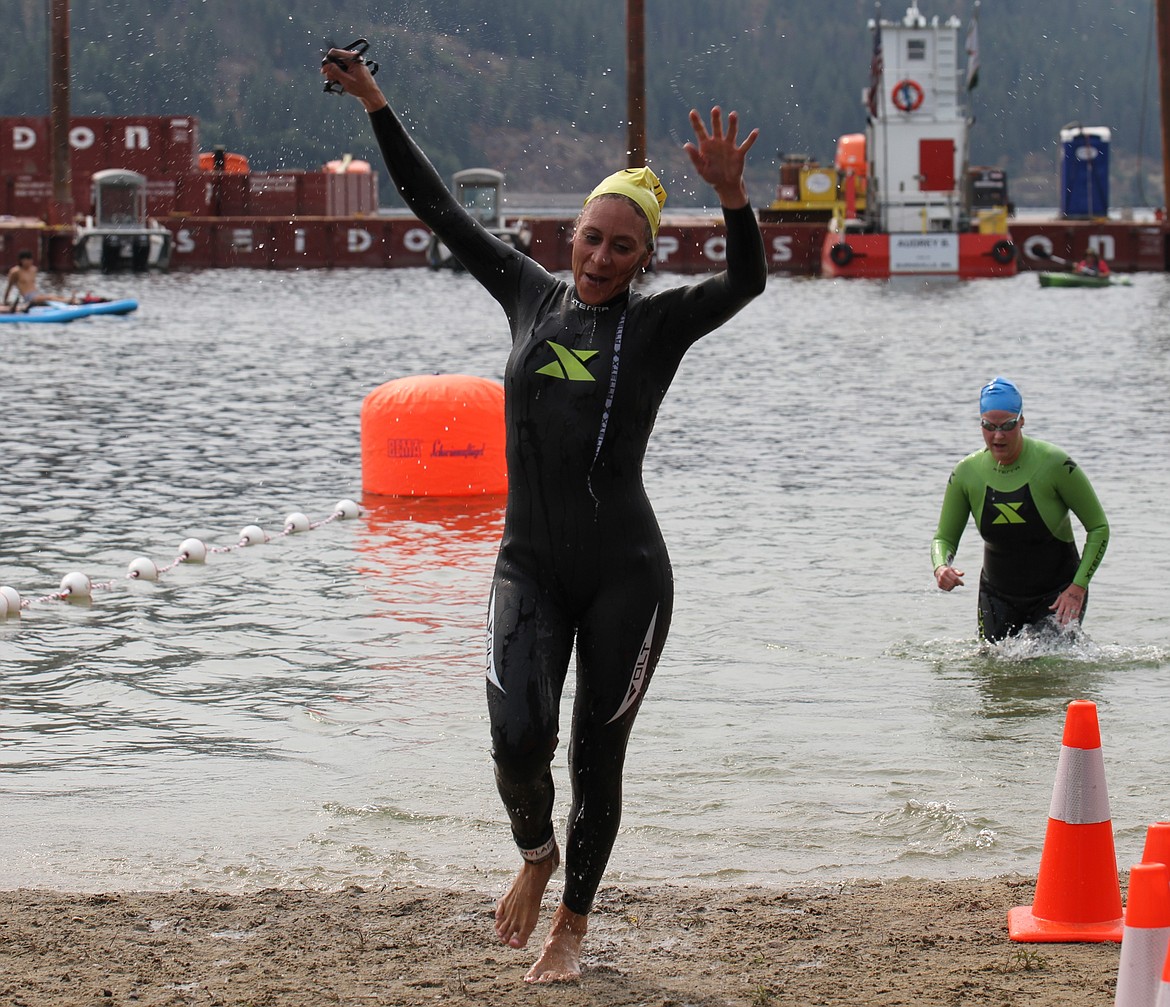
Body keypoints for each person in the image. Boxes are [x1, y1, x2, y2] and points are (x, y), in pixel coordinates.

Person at [322, 49, 766, 983]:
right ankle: (535, 849)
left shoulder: (655, 326)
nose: (601, 258)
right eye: (591, 238)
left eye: (623, 247)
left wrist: (733, 202)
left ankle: (571, 923)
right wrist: (376, 104)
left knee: (598, 756)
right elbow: (440, 208)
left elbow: (747, 285)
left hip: (626, 578)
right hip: (529, 565)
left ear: (646, 256)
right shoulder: (528, 292)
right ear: (571, 232)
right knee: (518, 739)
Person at [931, 376, 1109, 643]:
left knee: (1052, 674)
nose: (998, 435)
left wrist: (1078, 587)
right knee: (993, 675)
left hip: (1058, 594)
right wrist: (941, 567)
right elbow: (944, 538)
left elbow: (1099, 528)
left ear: (1022, 421)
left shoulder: (1055, 464)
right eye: (989, 426)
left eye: (1007, 426)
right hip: (997, 596)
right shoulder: (966, 473)